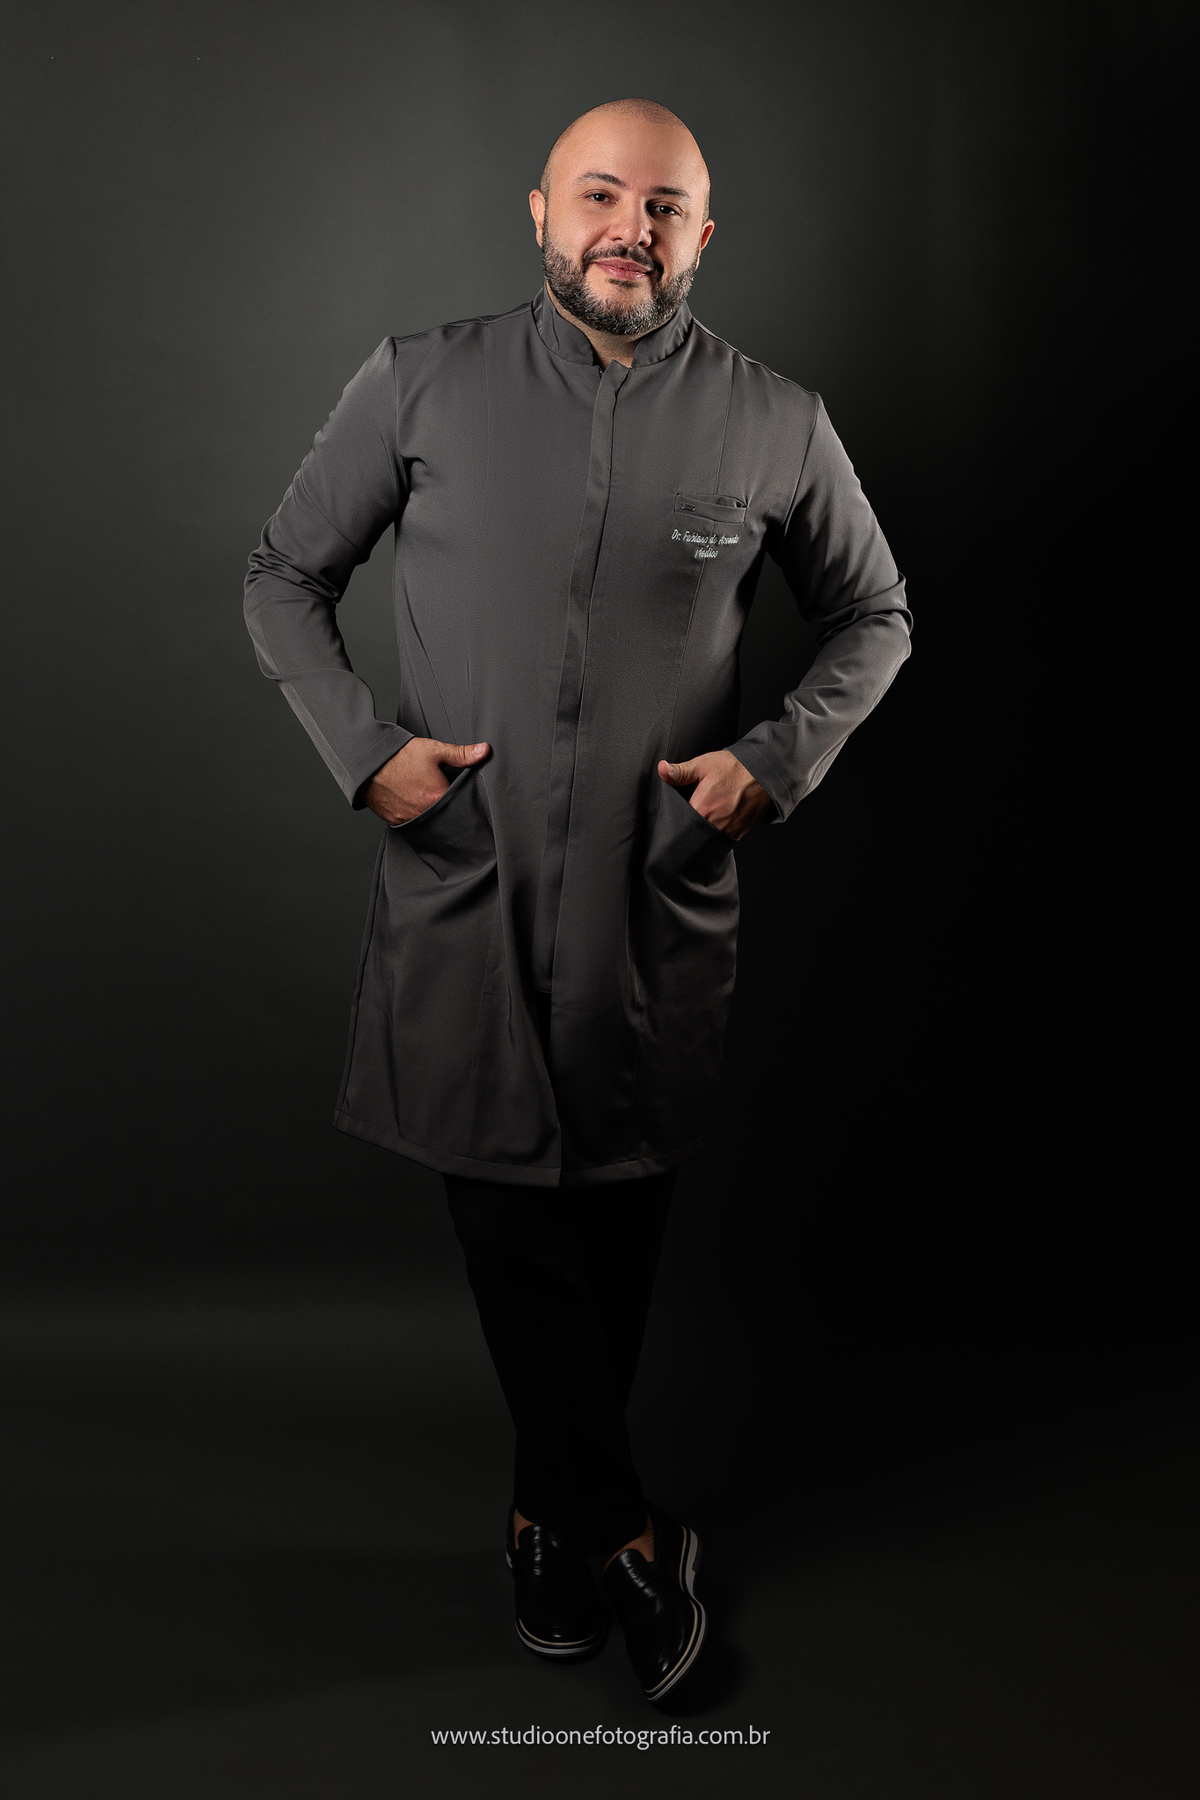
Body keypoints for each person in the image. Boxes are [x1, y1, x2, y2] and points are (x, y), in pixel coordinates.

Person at [243, 97, 911, 1702]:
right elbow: (281, 577)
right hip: (468, 886)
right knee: (508, 1228)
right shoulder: (420, 379)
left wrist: (776, 761)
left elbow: (875, 614)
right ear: (538, 212)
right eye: (600, 195)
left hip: (653, 900)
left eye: (664, 206)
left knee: (612, 1233)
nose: (631, 228)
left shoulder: (776, 421)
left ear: (701, 236)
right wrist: (367, 754)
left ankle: (547, 1521)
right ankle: (623, 1536)